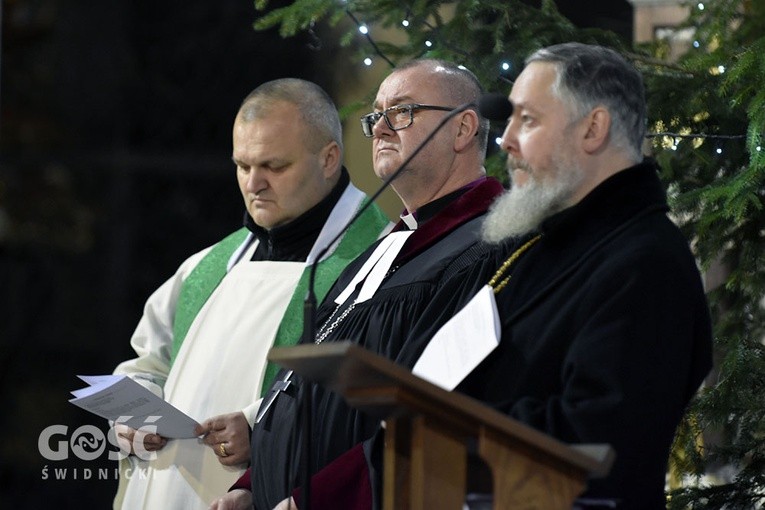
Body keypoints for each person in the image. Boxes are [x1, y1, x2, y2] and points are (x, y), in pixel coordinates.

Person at [394, 42, 713, 509]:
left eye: (528, 120)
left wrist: (446, 425)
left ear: (593, 128)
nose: (505, 141)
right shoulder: (547, 244)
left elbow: (597, 444)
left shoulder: (647, 262)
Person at [211, 59, 505, 509]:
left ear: (463, 129)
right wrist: (252, 485)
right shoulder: (385, 247)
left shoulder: (481, 250)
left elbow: (434, 420)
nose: (381, 129)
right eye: (376, 115)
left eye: (402, 112)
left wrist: (318, 500)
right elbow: (307, 385)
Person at [110, 78, 391, 510]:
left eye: (274, 166)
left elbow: (367, 395)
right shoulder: (208, 267)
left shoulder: (379, 262)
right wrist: (135, 411)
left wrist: (261, 426)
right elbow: (148, 362)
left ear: (330, 159)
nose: (253, 183)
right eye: (242, 166)